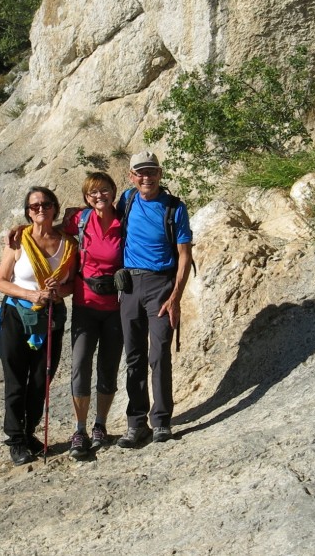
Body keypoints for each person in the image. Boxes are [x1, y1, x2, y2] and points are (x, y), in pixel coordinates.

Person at [116, 151, 193, 448]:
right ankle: (136, 424)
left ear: (160, 174)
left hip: (161, 285)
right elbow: (91, 216)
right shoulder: (126, 200)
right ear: (131, 176)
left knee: (159, 354)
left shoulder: (175, 207)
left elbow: (185, 254)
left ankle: (161, 421)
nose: (146, 177)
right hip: (130, 286)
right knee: (133, 356)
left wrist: (175, 297)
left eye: (151, 172)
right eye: (140, 173)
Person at [0, 186, 76, 465]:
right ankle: (16, 439)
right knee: (16, 379)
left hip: (50, 316)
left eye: (46, 204)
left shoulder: (68, 244)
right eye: (34, 206)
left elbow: (71, 284)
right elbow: (1, 281)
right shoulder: (18, 241)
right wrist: (31, 294)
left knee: (42, 380)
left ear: (55, 207)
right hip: (17, 314)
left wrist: (57, 292)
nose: (40, 209)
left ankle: (28, 433)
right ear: (28, 212)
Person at [60, 172, 124, 460]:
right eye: (92, 193)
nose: (99, 197)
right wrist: (20, 228)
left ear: (114, 191)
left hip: (117, 307)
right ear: (86, 198)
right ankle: (80, 428)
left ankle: (100, 424)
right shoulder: (80, 220)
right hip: (85, 304)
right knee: (80, 365)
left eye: (104, 190)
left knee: (108, 368)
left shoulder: (125, 220)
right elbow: (47, 227)